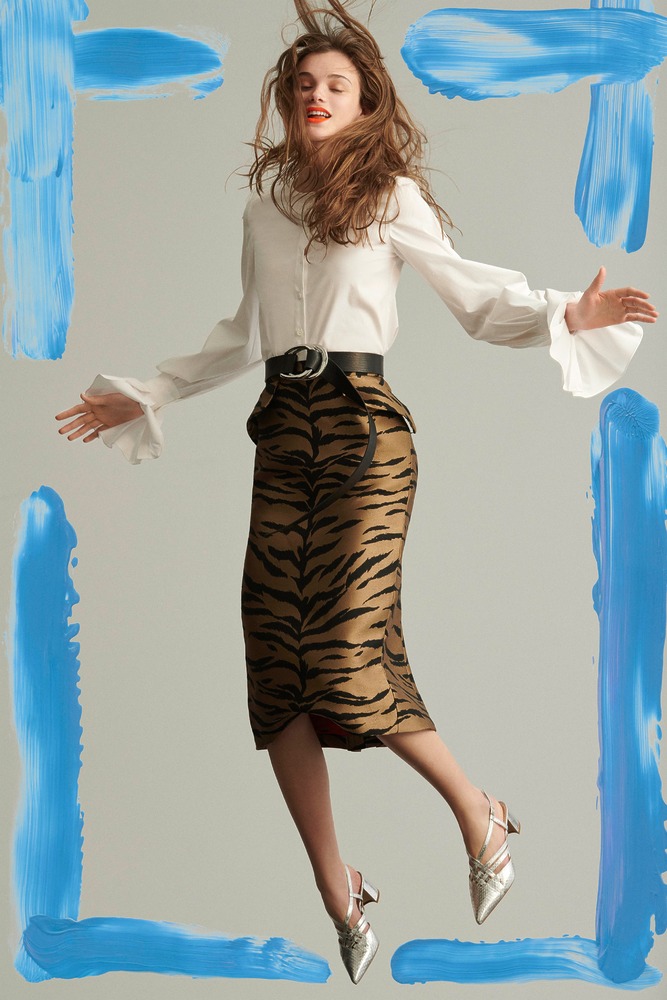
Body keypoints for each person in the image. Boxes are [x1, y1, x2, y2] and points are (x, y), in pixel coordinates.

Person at [55, 0, 657, 984]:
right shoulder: (264, 207)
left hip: (364, 433)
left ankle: (476, 808)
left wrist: (566, 311)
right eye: (302, 85)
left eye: (334, 84)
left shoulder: (390, 197)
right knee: (275, 670)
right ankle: (337, 886)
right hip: (282, 432)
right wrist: (150, 390)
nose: (315, 95)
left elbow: (475, 299)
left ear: (366, 101)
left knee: (342, 654)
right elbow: (241, 333)